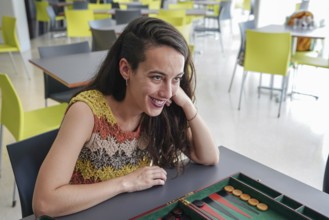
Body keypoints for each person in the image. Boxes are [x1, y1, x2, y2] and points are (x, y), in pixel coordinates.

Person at [32, 16, 219, 217]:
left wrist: (187, 105)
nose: (167, 92)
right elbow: (45, 203)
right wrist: (126, 182)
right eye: (157, 77)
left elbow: (208, 157)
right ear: (126, 69)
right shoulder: (86, 112)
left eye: (176, 79)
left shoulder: (158, 109)